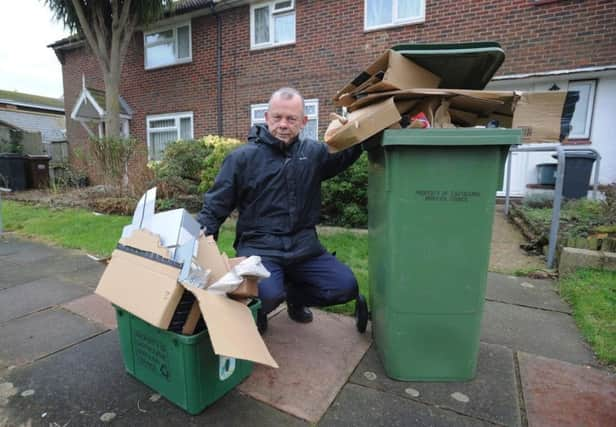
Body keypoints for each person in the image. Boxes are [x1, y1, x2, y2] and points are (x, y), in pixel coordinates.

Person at [197, 87, 362, 333]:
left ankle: (296, 297)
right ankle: (259, 309)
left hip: (305, 247)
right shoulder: (242, 159)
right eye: (277, 117)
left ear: (303, 122)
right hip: (259, 248)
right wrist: (200, 249)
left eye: (291, 119)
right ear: (266, 118)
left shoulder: (313, 154)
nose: (283, 125)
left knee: (344, 287)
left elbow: (347, 152)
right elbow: (214, 207)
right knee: (266, 294)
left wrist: (370, 127)